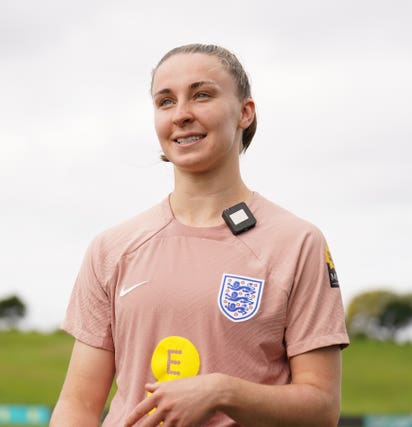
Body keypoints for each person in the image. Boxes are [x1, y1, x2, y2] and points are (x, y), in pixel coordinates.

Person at [49, 43, 350, 426]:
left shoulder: (297, 243)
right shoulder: (112, 248)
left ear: (245, 112)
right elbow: (78, 406)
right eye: (165, 101)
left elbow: (322, 409)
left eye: (201, 95)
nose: (181, 115)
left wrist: (223, 392)